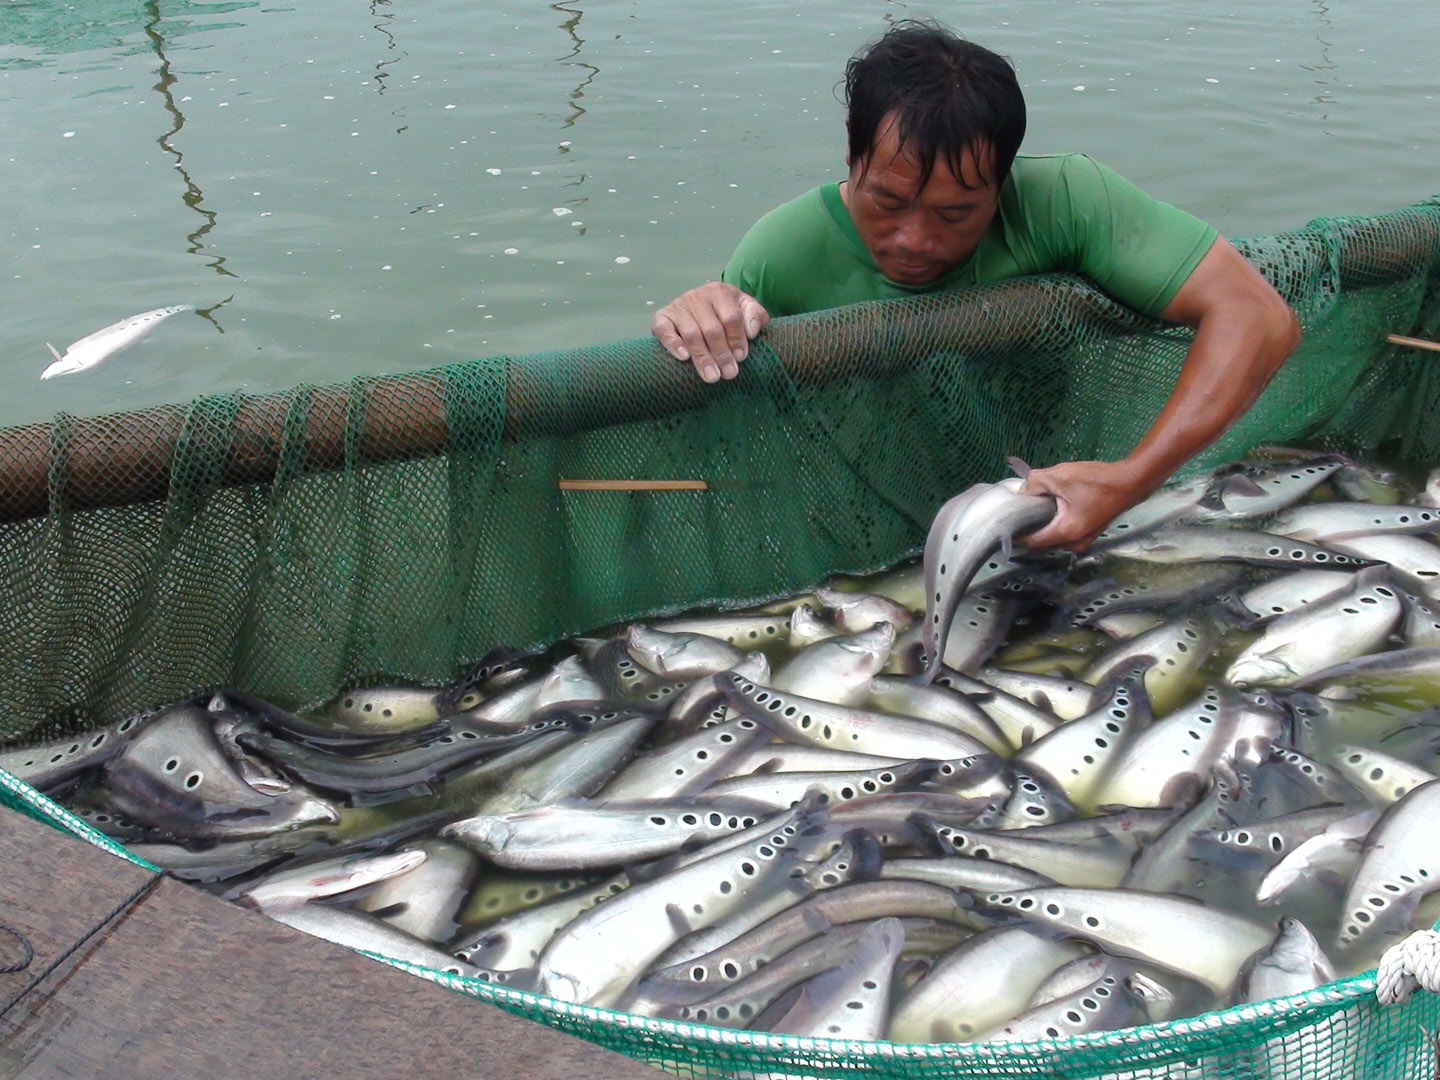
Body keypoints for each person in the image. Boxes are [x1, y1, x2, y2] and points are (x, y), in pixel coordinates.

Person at [649, 20, 1301, 551]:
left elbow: (1258, 317)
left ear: (1004, 183)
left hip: (1043, 512)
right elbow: (715, 416)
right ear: (852, 161)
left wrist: (1130, 482)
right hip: (860, 526)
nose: (914, 239)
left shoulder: (1066, 199)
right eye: (887, 201)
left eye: (955, 214)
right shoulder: (782, 251)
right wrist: (703, 314)